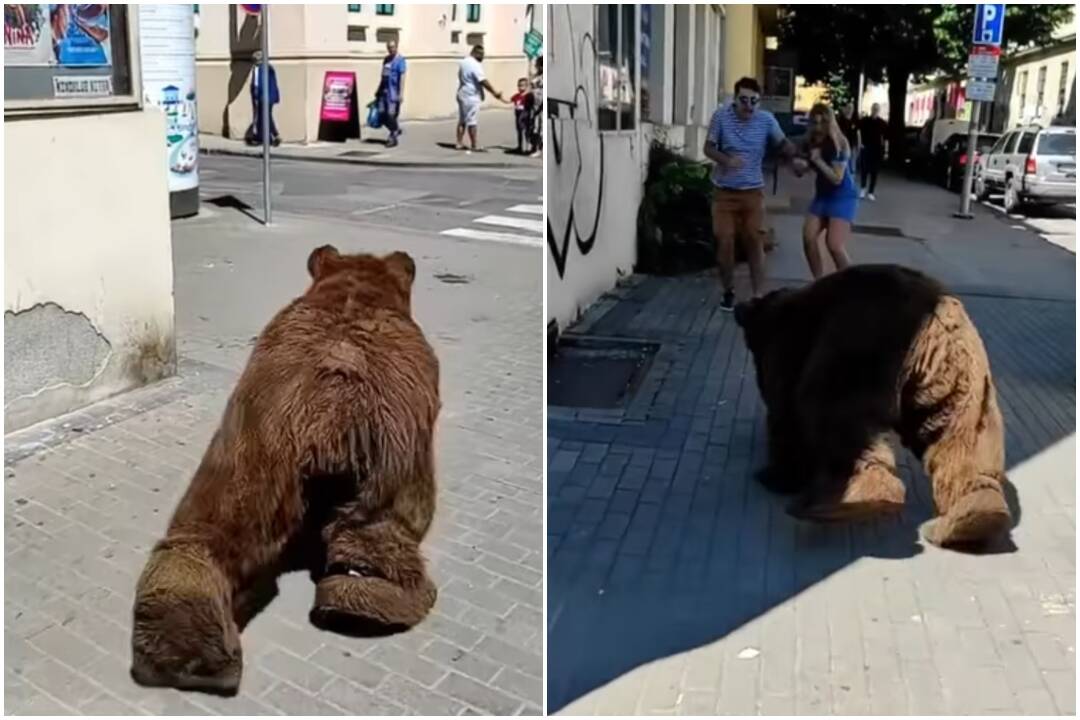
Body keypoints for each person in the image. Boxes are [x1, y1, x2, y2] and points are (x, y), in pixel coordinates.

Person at [704, 77, 797, 311]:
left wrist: (794, 156)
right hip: (724, 192)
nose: (748, 106)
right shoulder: (721, 117)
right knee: (724, 241)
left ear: (759, 101)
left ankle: (758, 294)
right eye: (743, 100)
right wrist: (726, 160)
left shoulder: (766, 120)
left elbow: (783, 143)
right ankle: (728, 290)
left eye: (753, 101)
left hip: (752, 193)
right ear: (735, 99)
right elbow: (708, 147)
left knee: (754, 242)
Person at [792, 103, 858, 280]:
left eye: (823, 122)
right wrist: (800, 167)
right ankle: (819, 282)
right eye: (815, 122)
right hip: (822, 196)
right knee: (808, 237)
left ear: (830, 123)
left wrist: (818, 161)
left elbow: (837, 178)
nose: (819, 127)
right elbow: (801, 169)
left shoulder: (839, 143)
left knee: (834, 244)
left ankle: (852, 284)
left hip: (843, 197)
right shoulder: (809, 141)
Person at [456, 45, 506, 153]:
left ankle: (459, 143)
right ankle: (474, 145)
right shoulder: (475, 65)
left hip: (462, 93)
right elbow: (483, 81)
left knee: (462, 120)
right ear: (476, 53)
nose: (482, 58)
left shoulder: (464, 62)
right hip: (471, 96)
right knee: (472, 121)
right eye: (481, 55)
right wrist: (495, 93)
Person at [375, 40, 406, 148]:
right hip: (383, 92)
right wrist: (378, 90)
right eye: (389, 47)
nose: (390, 49)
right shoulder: (386, 59)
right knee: (381, 115)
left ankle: (393, 137)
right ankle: (396, 129)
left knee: (390, 115)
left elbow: (402, 78)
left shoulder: (400, 60)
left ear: (396, 47)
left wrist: (401, 94)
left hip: (393, 93)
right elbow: (383, 76)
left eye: (392, 47)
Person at [246, 50, 281, 147]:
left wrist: (256, 95)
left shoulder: (258, 69)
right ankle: (264, 137)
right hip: (271, 97)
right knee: (266, 116)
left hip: (263, 97)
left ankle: (272, 136)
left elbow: (257, 84)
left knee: (265, 116)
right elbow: (274, 83)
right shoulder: (270, 67)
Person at [859, 102, 889, 200]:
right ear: (871, 109)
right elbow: (858, 132)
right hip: (866, 148)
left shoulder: (882, 123)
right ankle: (863, 188)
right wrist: (860, 144)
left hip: (877, 150)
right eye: (874, 108)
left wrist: (886, 151)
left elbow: (886, 138)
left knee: (874, 172)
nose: (875, 110)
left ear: (878, 110)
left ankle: (871, 192)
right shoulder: (864, 121)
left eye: (877, 109)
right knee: (864, 170)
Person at [510, 77, 535, 154]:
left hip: (525, 116)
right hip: (518, 117)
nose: (520, 88)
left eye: (522, 86)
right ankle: (520, 147)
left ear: (526, 86)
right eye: (519, 85)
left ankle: (526, 148)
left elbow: (531, 105)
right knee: (519, 132)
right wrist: (499, 97)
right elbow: (508, 100)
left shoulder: (528, 96)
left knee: (526, 132)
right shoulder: (516, 96)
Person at [837, 100, 860, 171]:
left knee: (852, 167)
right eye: (849, 108)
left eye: (852, 108)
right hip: (843, 147)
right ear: (846, 108)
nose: (850, 110)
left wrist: (858, 145)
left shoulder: (855, 120)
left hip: (852, 146)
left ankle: (851, 180)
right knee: (843, 166)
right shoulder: (841, 120)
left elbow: (858, 134)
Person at [529, 56, 543, 157]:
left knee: (540, 128)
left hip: (540, 106)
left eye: (537, 65)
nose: (536, 66)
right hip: (534, 105)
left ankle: (539, 149)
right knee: (533, 127)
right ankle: (534, 147)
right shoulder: (536, 76)